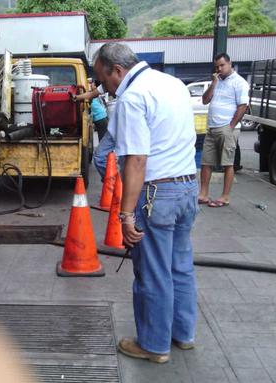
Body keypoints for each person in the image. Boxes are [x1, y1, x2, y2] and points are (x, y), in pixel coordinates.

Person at [93, 42, 198, 364]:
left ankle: (154, 345)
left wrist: (125, 215)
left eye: (103, 78)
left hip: (157, 194)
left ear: (117, 70)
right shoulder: (173, 84)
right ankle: (183, 335)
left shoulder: (132, 98)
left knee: (153, 273)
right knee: (180, 267)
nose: (103, 87)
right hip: (187, 187)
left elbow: (136, 160)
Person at [198, 53, 249, 207]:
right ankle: (204, 194)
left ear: (230, 63)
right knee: (206, 162)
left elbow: (243, 106)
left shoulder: (239, 82)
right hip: (212, 127)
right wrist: (213, 83)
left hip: (227, 128)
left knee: (227, 163)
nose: (219, 69)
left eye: (222, 65)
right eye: (217, 66)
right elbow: (205, 100)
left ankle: (224, 196)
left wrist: (231, 126)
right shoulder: (216, 81)